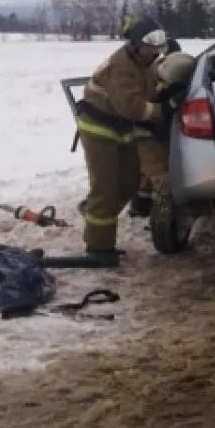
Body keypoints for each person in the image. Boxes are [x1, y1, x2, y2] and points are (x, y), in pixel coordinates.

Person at [73, 16, 171, 264]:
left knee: (129, 183)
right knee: (105, 186)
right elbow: (133, 107)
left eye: (159, 43)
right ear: (135, 45)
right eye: (150, 44)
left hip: (120, 127)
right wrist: (164, 110)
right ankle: (98, 248)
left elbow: (149, 91)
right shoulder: (121, 67)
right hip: (98, 128)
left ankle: (95, 212)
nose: (155, 49)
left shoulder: (147, 63)